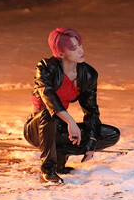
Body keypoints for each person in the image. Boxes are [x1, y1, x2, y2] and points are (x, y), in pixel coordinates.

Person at [23, 27, 121, 184]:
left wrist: (91, 142)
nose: (80, 51)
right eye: (74, 49)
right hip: (38, 129)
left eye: (80, 46)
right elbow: (49, 97)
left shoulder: (88, 74)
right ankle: (47, 170)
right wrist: (71, 122)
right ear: (61, 53)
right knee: (48, 113)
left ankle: (60, 157)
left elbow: (91, 111)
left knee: (111, 134)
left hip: (60, 127)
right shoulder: (46, 68)